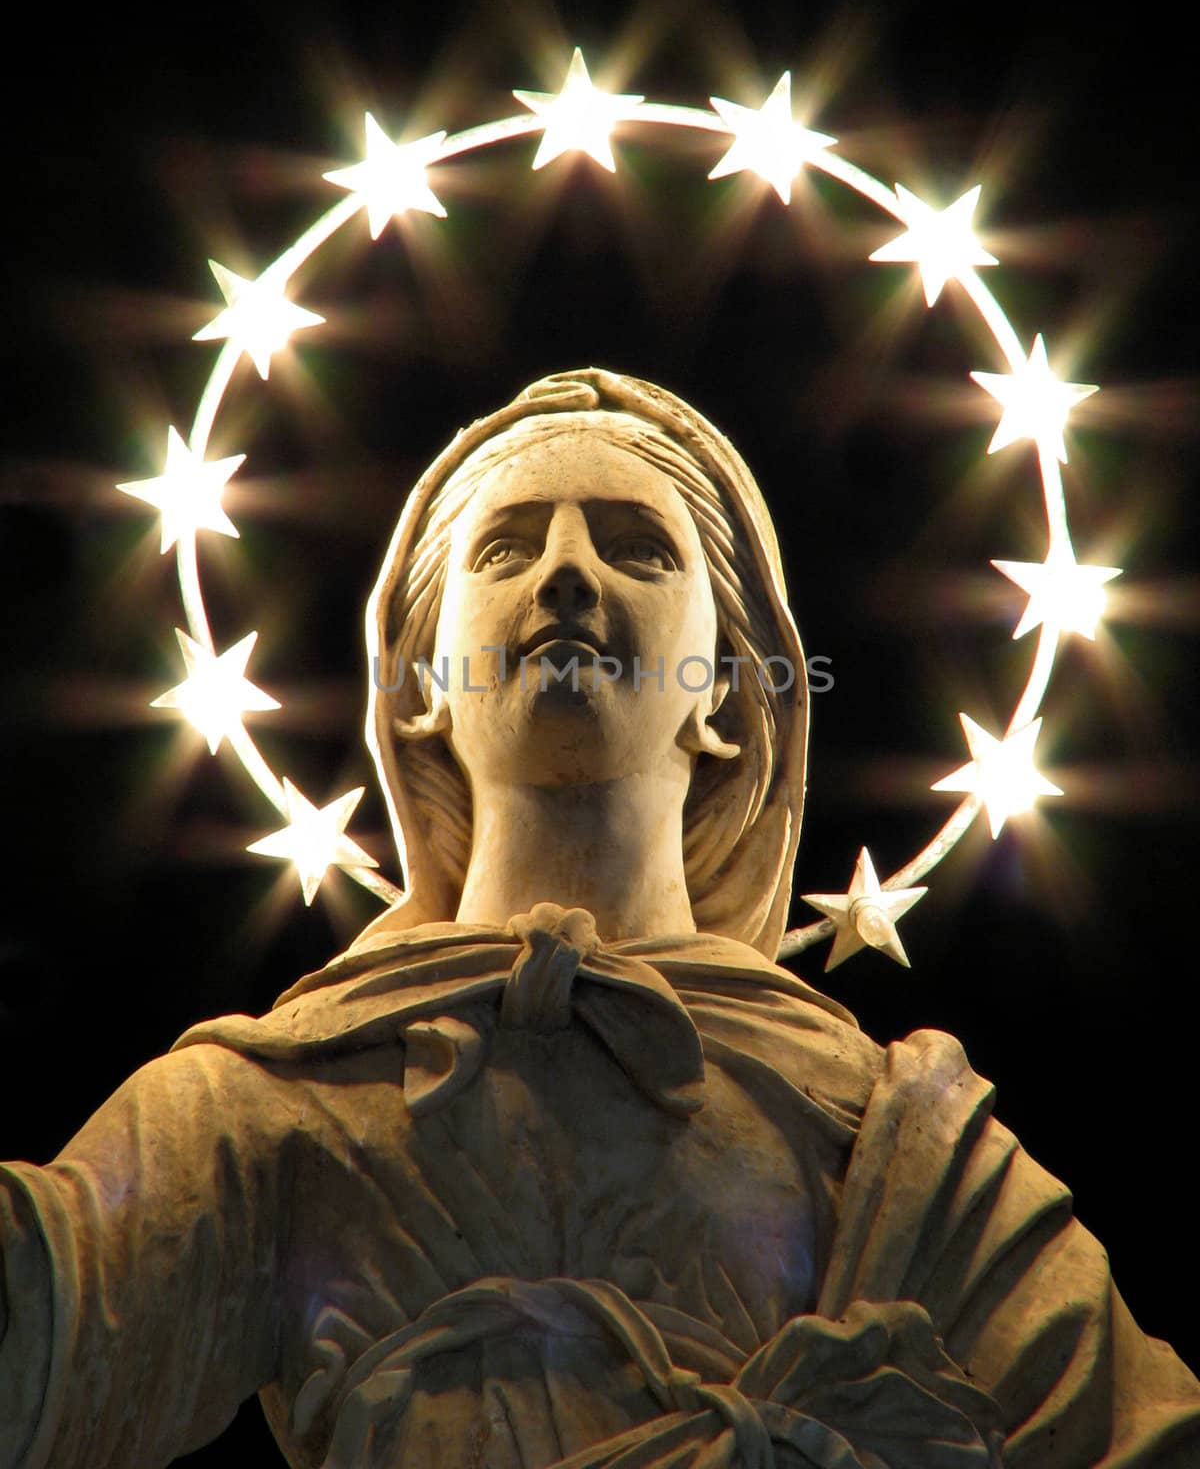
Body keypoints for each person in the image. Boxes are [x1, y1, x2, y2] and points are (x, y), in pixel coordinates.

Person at [1, 369, 1197, 1468]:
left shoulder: (894, 1143)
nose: (567, 575)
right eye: (511, 546)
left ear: (727, 693)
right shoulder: (280, 1105)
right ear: (417, 692)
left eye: (637, 549)